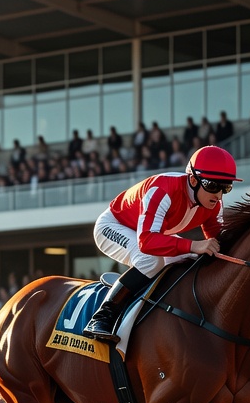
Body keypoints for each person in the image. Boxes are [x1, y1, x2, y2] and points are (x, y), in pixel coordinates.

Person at [84, 145, 239, 340]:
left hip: (149, 233)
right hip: (113, 226)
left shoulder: (213, 203)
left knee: (194, 256)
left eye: (225, 187)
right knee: (151, 260)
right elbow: (147, 241)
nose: (218, 195)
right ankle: (102, 317)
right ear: (193, 180)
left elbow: (218, 243)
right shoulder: (163, 189)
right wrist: (194, 245)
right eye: (212, 185)